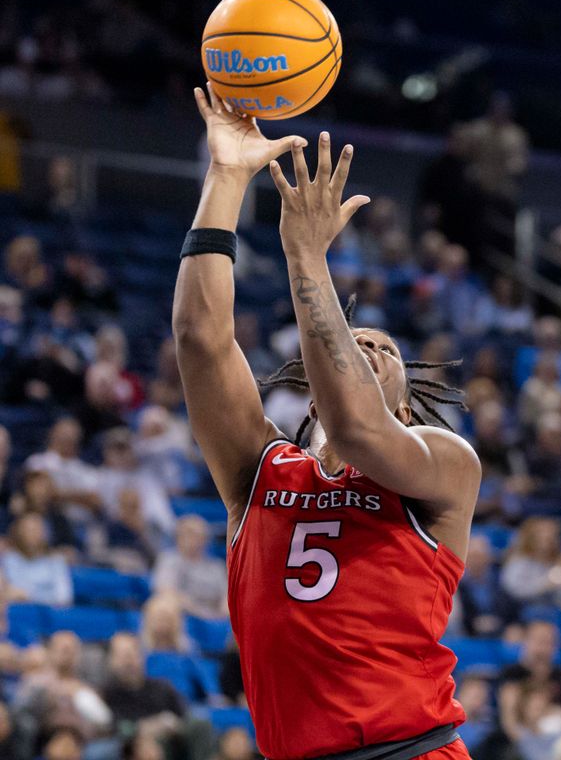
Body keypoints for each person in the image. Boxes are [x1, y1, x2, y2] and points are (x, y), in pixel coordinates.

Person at [173, 85, 482, 760]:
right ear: (310, 396)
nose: (368, 347)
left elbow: (361, 430)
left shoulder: (444, 465)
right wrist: (226, 177)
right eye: (353, 341)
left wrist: (306, 259)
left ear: (402, 406)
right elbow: (200, 339)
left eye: (385, 349)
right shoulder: (257, 472)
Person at [151, 515, 227, 619]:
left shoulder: (216, 566)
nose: (196, 540)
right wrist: (198, 612)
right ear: (179, 537)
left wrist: (222, 615)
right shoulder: (169, 560)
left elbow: (226, 596)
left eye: (200, 536)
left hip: (215, 618)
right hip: (185, 615)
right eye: (190, 534)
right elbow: (165, 591)